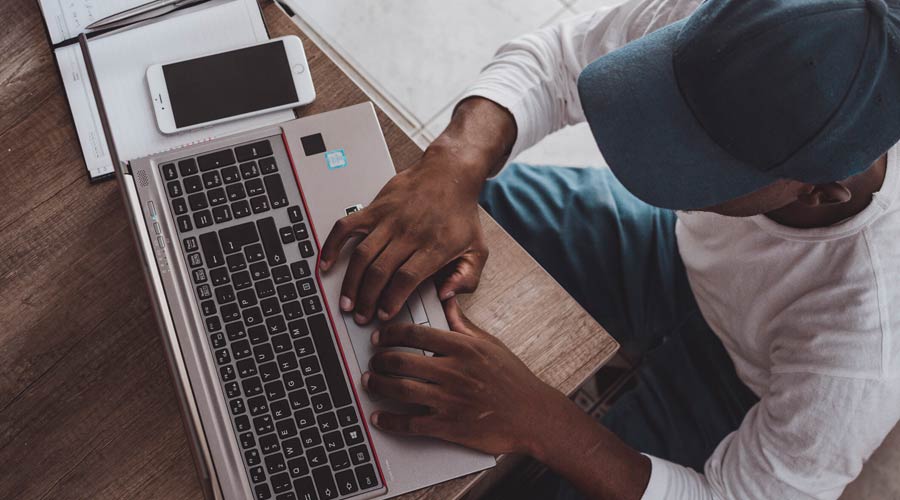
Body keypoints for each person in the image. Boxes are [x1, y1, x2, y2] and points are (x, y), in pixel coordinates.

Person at [320, 0, 900, 498]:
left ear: (820, 192)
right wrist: (455, 162)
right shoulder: (752, 31)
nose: (660, 147)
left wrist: (540, 420)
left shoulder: (865, 344)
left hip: (745, 387)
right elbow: (558, 59)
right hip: (668, 249)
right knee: (463, 206)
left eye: (700, 163)